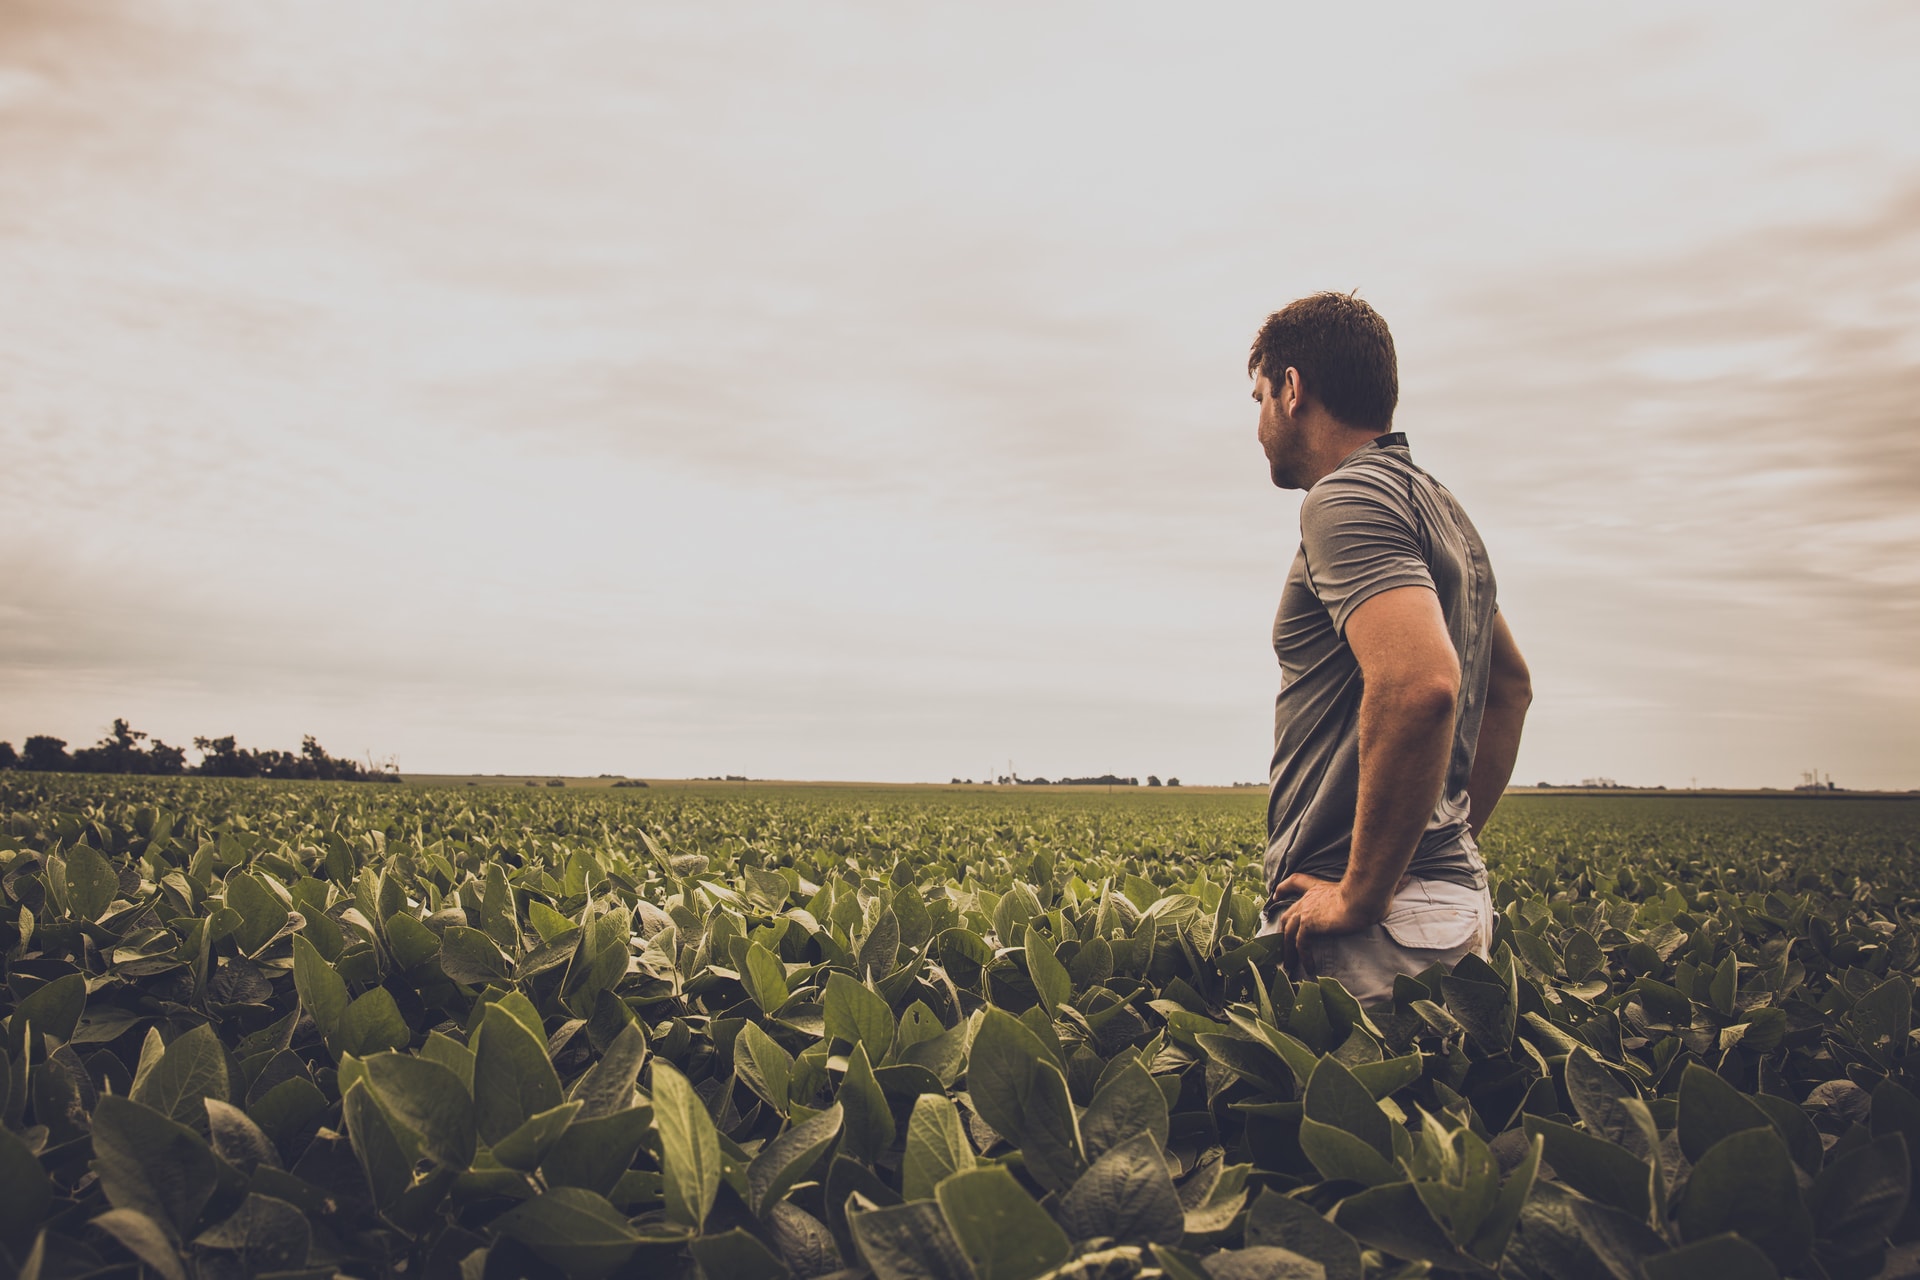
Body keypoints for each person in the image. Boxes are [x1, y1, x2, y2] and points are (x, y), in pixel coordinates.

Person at [1250, 292, 1532, 1007]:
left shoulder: (1344, 500)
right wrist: (1437, 847)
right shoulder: (1440, 507)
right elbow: (1508, 689)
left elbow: (1419, 684)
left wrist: (1362, 892)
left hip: (1379, 929)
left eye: (1258, 398)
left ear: (1292, 389)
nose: (1256, 427)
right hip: (1435, 907)